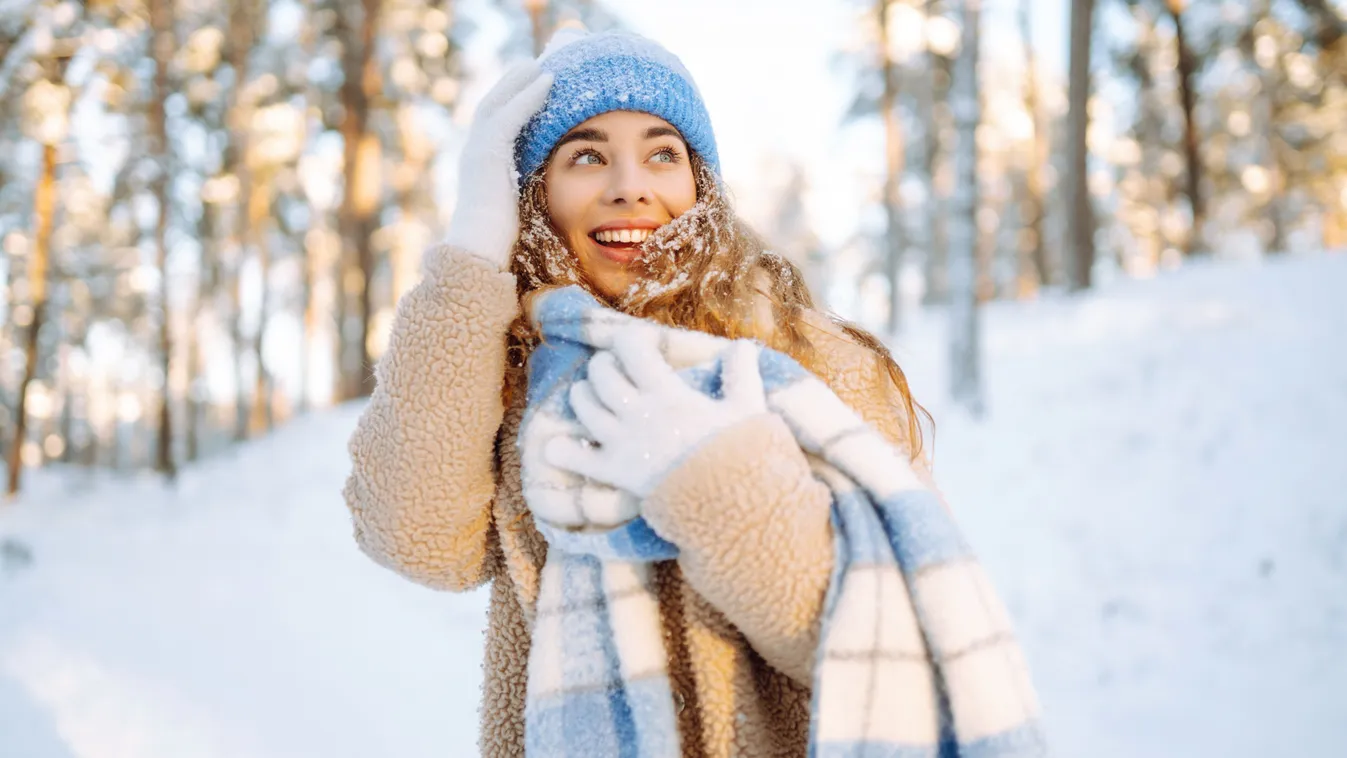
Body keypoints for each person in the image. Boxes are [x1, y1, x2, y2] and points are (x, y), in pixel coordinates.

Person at [344, 29, 1027, 758]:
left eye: (662, 152)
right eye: (586, 156)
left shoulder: (809, 362)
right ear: (533, 191)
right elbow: (414, 539)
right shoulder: (511, 378)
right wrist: (474, 247)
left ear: (700, 181)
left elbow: (893, 635)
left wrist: (716, 482)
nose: (628, 185)